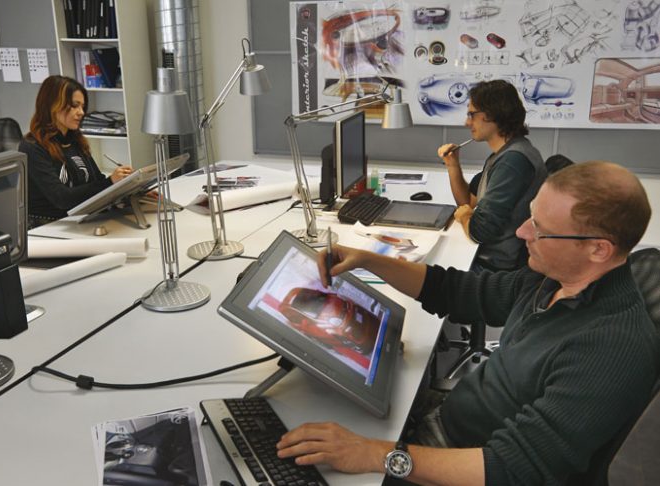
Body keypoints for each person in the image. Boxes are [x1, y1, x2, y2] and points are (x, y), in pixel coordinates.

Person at [277, 161, 659, 485]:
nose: (523, 232)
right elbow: (459, 291)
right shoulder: (554, 277)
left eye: (539, 228)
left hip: (466, 462)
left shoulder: (610, 347)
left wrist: (376, 455)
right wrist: (366, 260)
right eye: (530, 216)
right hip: (447, 422)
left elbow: (512, 467)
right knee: (307, 411)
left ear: (598, 249)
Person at [438, 79, 547, 271]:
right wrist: (453, 165)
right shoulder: (506, 153)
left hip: (498, 268)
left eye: (472, 114)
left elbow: (479, 232)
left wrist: (465, 217)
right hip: (490, 256)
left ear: (493, 114)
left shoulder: (513, 162)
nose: (467, 122)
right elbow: (468, 203)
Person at [19, 75, 132, 227]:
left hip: (82, 219)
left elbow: (96, 182)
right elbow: (61, 198)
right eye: (74, 105)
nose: (81, 112)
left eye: (82, 107)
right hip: (49, 226)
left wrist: (131, 192)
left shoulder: (75, 140)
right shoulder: (32, 147)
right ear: (52, 105)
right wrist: (110, 181)